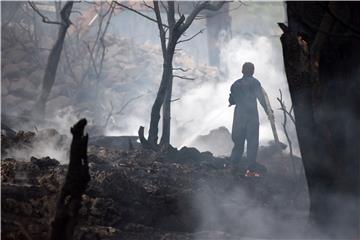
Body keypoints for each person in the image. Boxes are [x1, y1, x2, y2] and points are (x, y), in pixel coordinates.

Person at [228, 62, 273, 177]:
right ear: (252, 71)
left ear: (242, 71)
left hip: (238, 116)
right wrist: (268, 111)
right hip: (251, 116)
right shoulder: (255, 82)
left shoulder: (235, 85)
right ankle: (251, 170)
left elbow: (231, 100)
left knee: (238, 142)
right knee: (252, 143)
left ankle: (233, 167)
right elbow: (262, 98)